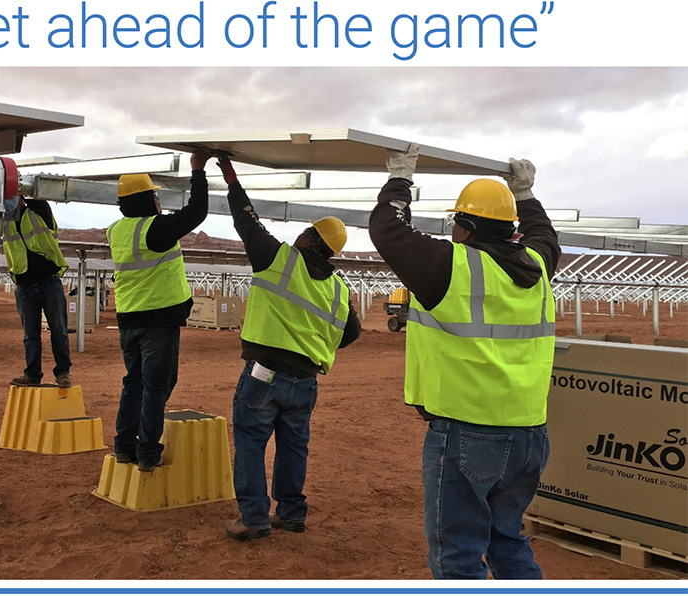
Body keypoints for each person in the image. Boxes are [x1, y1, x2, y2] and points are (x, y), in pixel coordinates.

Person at [369, 144, 560, 579]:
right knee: (506, 538)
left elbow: (387, 231)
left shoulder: (452, 267)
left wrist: (401, 179)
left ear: (467, 227)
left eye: (458, 223)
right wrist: (525, 194)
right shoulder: (537, 265)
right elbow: (544, 236)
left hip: (470, 433)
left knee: (458, 553)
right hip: (529, 433)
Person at [217, 156, 362, 540]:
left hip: (263, 374)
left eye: (306, 231)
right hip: (305, 380)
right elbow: (351, 332)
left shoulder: (278, 259)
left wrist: (229, 175)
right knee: (294, 446)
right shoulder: (338, 290)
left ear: (311, 240)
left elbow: (246, 221)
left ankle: (254, 519)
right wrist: (315, 341)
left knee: (250, 442)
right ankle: (292, 513)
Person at [108, 150, 213, 473]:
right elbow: (197, 212)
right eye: (154, 195)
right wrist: (198, 170)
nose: (158, 201)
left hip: (130, 320)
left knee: (134, 383)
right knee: (156, 387)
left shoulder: (118, 230)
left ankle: (125, 446)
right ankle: (148, 452)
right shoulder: (153, 230)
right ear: (144, 199)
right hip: (158, 322)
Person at [2, 195, 73, 388]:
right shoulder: (5, 223)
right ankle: (32, 374)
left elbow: (38, 196)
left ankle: (63, 372)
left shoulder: (39, 213)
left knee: (59, 330)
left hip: (48, 282)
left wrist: (15, 188)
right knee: (30, 334)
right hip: (24, 286)